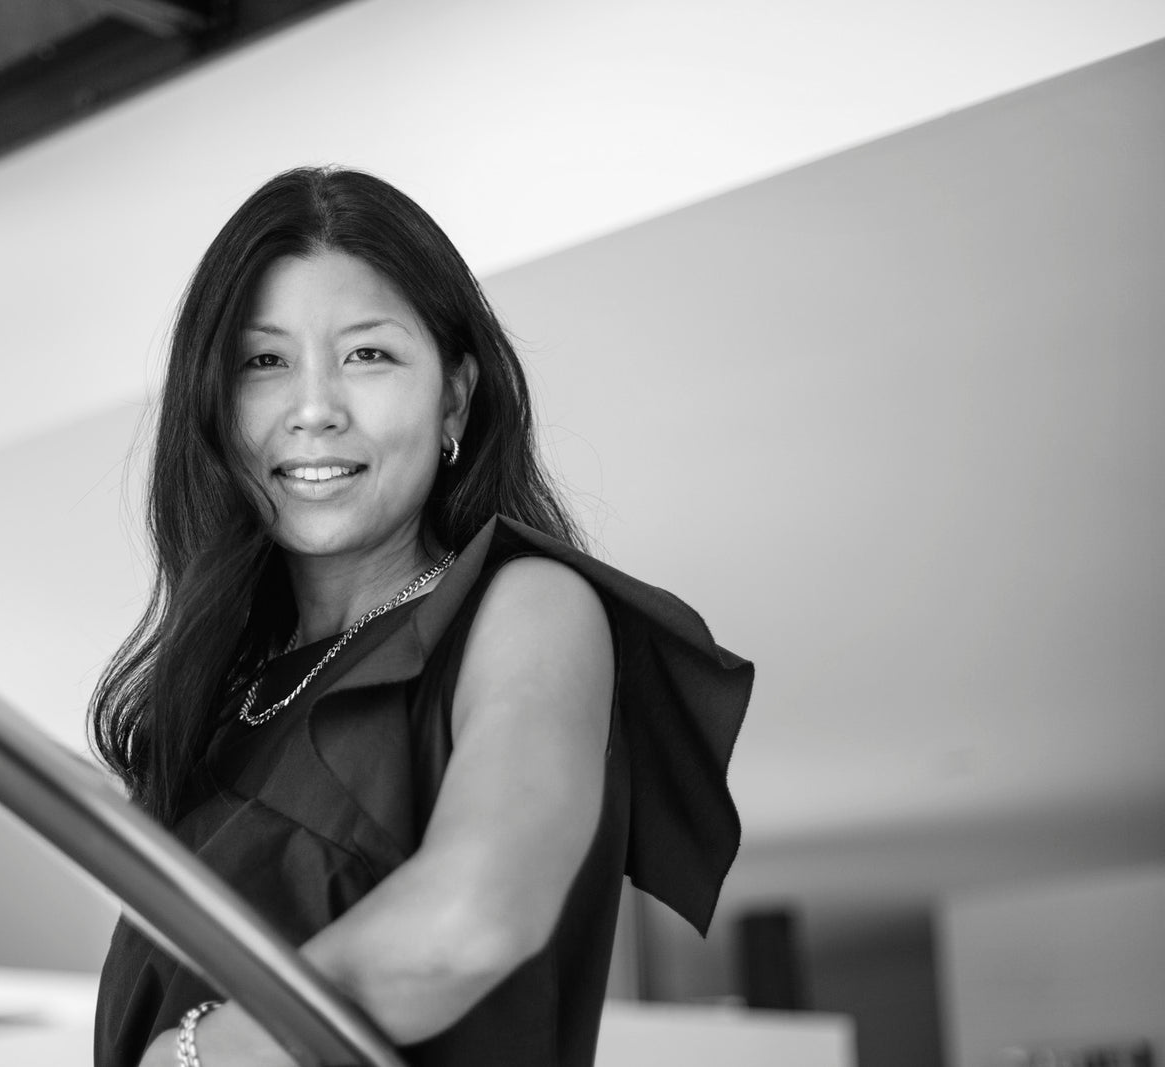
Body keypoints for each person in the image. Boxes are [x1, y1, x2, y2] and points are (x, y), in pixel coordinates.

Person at [89, 166, 753, 1067]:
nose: (314, 410)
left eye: (368, 355)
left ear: (454, 397)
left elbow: (475, 919)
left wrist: (203, 1055)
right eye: (264, 361)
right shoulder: (224, 701)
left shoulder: (527, 606)